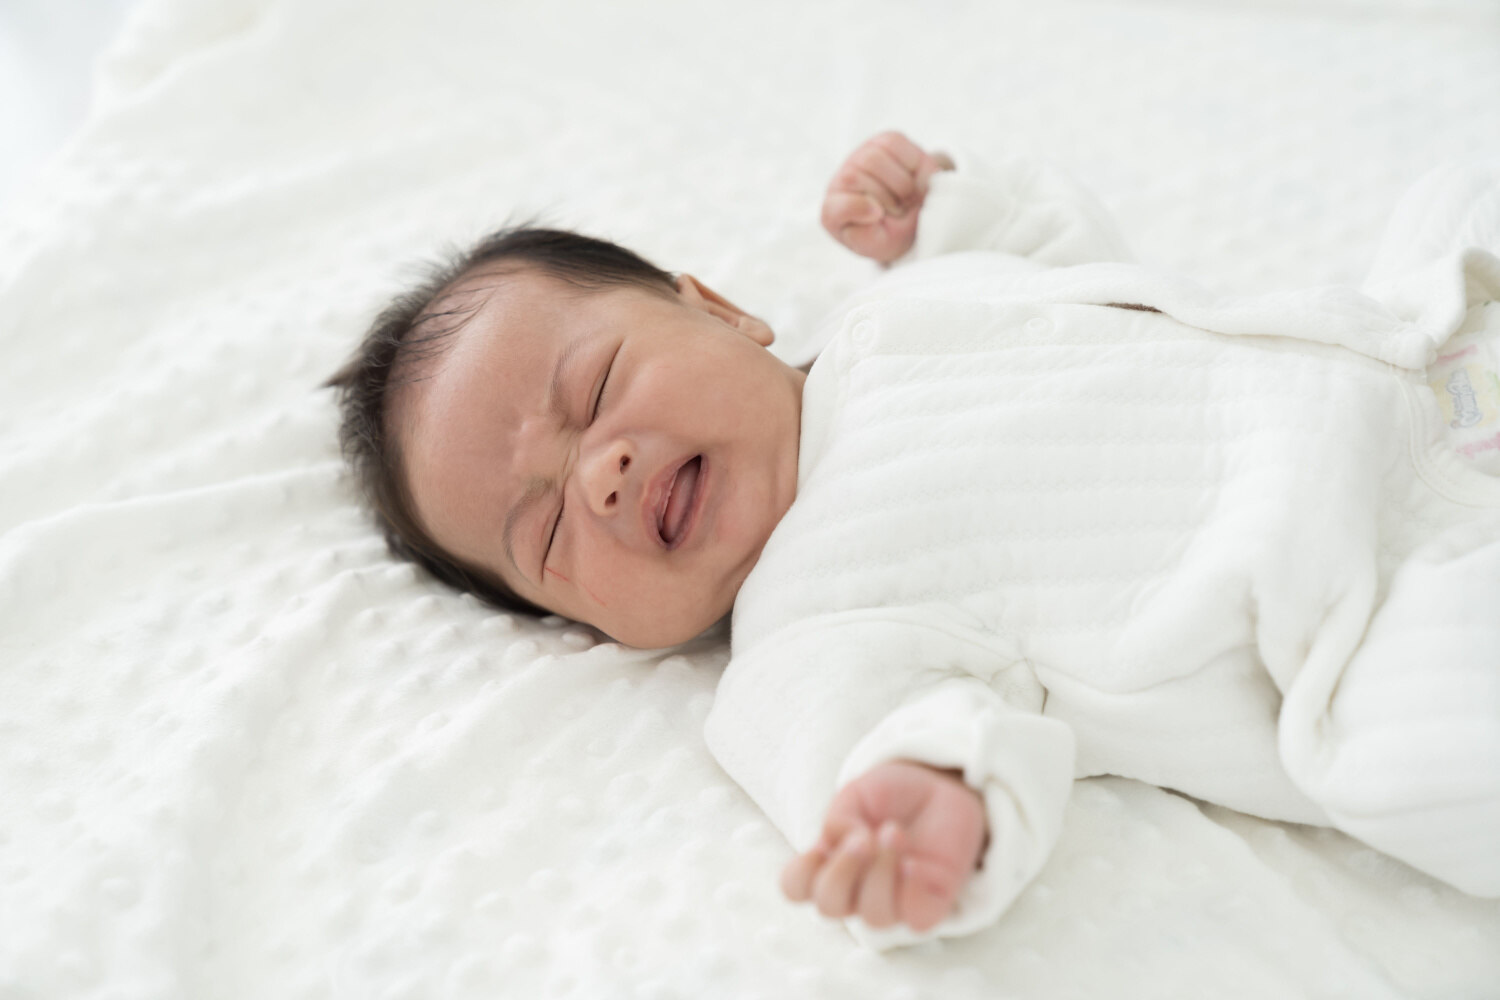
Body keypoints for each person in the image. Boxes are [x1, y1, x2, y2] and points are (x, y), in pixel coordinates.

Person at [328, 132, 1500, 948]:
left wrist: (948, 205)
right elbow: (900, 745)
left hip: (1421, 344)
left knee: (1464, 188)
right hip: (1364, 607)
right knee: (1423, 745)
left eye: (598, 387)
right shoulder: (802, 641)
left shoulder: (892, 312)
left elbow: (1071, 258)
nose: (602, 474)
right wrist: (922, 801)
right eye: (545, 534)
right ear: (587, 626)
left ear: (721, 309)